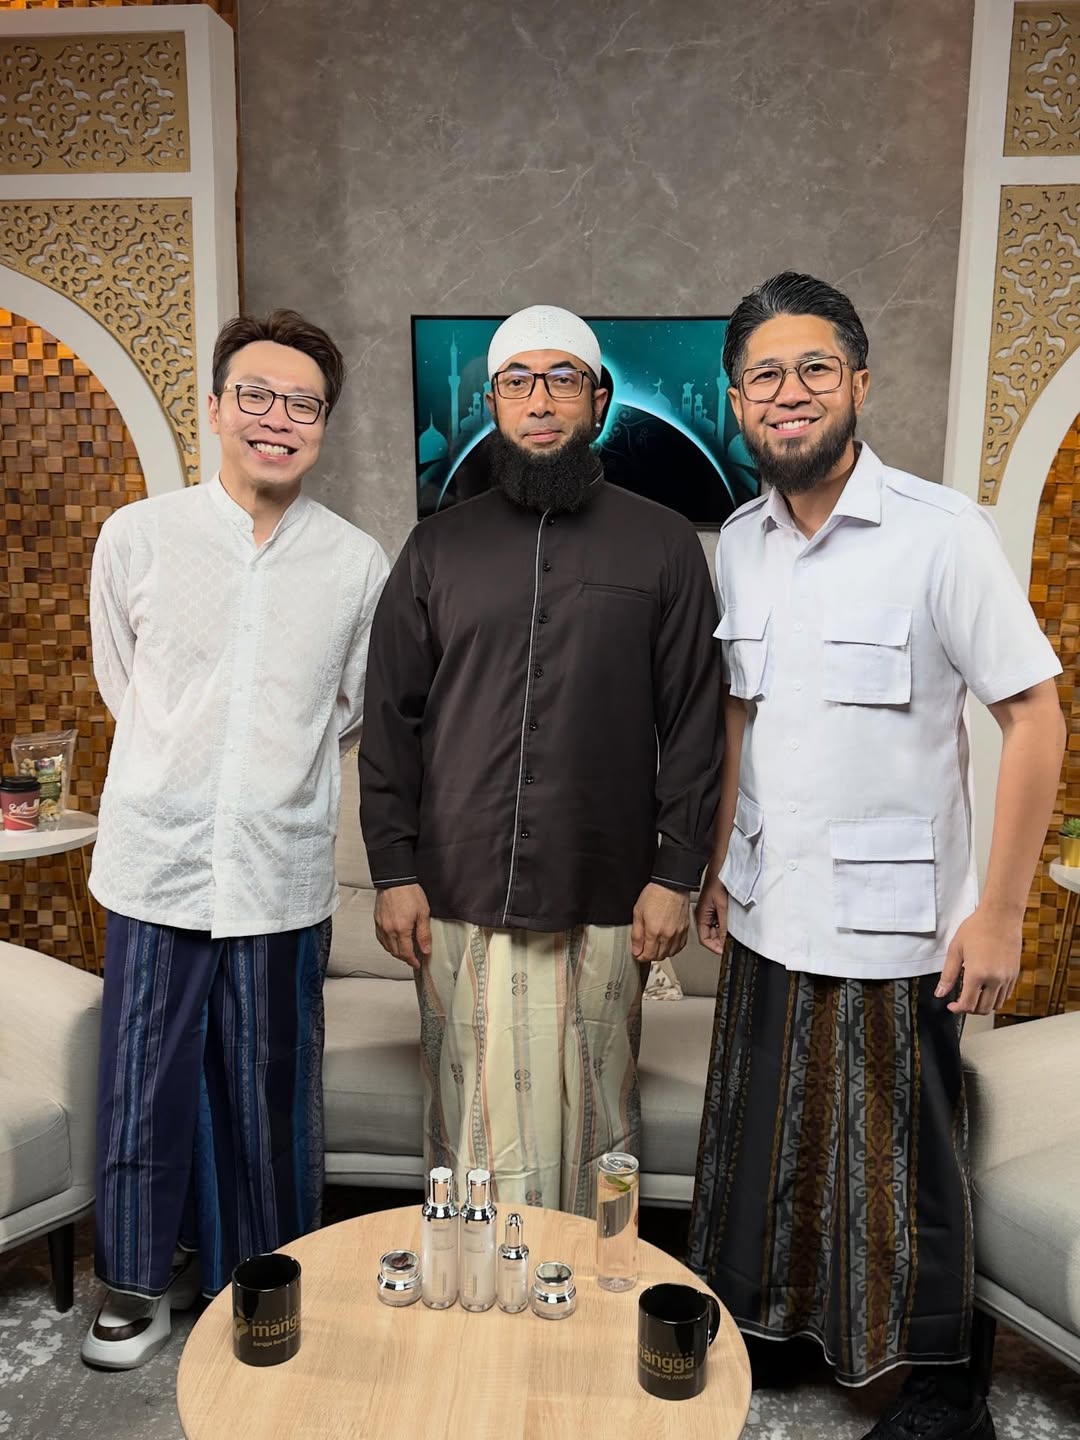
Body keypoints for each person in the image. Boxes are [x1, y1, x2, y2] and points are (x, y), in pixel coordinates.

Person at [687, 272, 1065, 1440]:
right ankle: (779, 1335)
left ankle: (941, 1387)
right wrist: (718, 862)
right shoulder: (739, 544)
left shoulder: (941, 535)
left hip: (900, 920)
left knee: (902, 1158)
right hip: (769, 901)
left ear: (858, 383)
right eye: (764, 375)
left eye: (814, 368)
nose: (788, 393)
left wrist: (999, 913)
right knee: (767, 1139)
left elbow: (1036, 717)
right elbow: (740, 716)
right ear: (736, 402)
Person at [359, 304, 723, 1216]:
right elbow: (391, 721)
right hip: (456, 890)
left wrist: (676, 876)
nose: (541, 399)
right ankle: (476, 1296)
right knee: (471, 1125)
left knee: (597, 1117)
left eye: (564, 378)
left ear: (599, 399)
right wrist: (393, 872)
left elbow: (694, 721)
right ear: (492, 401)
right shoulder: (435, 548)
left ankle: (589, 1290)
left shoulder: (665, 544)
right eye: (518, 381)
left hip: (606, 892)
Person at [82, 310, 389, 1368]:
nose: (277, 419)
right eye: (256, 395)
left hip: (279, 868)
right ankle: (134, 1282)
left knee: (268, 1090)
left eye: (303, 404)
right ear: (214, 409)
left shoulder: (355, 563)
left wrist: (260, 783)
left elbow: (347, 710)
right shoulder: (138, 536)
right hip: (157, 860)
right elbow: (123, 681)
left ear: (323, 426)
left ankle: (259, 1279)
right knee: (142, 1082)